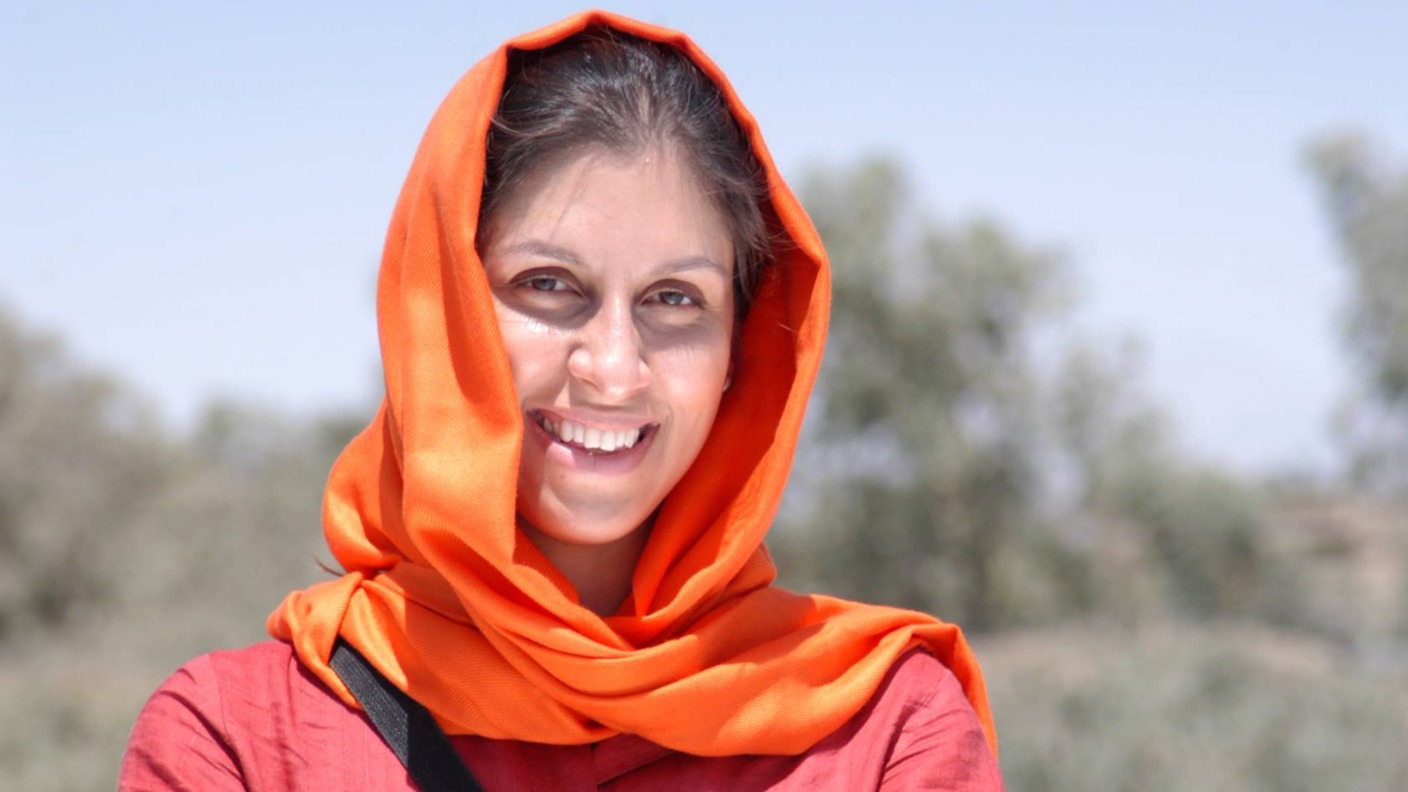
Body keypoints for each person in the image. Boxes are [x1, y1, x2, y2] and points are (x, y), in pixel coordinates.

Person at [119, 10, 1003, 790]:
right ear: (444, 313)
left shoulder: (883, 732)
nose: (614, 369)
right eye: (548, 284)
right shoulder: (240, 743)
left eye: (675, 299)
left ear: (742, 350)